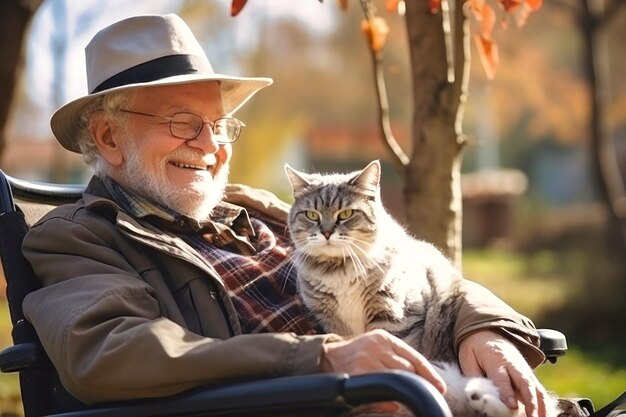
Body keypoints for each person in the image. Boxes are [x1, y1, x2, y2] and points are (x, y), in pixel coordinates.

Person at [21, 13, 548, 417]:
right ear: (110, 138)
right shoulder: (77, 239)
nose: (211, 145)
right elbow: (111, 353)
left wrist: (484, 329)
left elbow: (418, 263)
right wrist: (322, 357)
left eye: (220, 124)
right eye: (185, 123)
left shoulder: (268, 209)